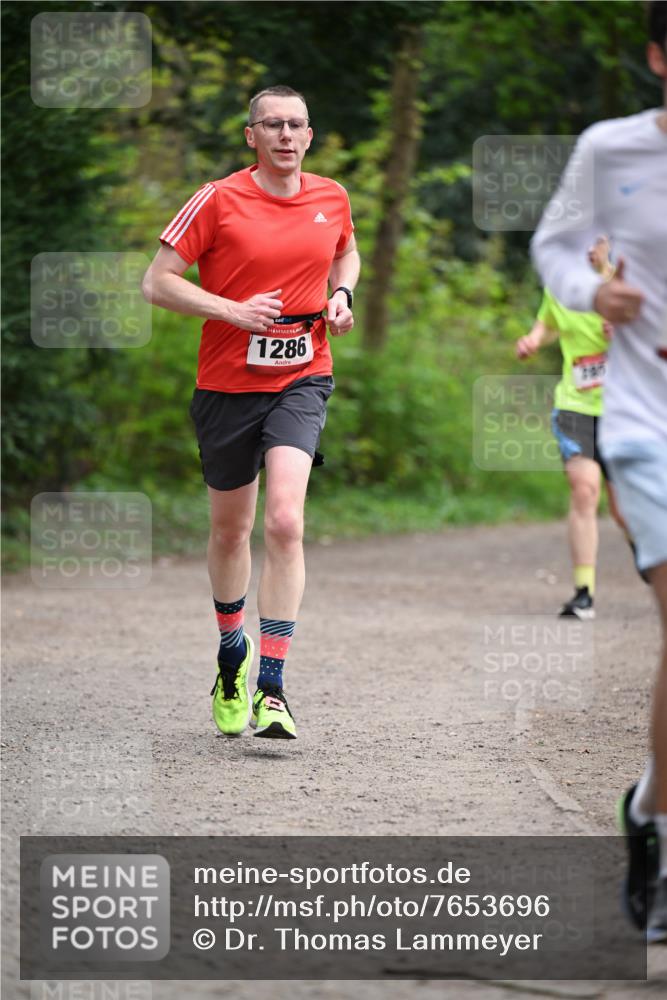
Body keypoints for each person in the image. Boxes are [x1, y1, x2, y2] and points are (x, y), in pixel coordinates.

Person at [142, 85, 360, 740]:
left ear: (310, 134)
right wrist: (232, 311)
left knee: (286, 522)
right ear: (251, 135)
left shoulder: (332, 197)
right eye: (272, 125)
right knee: (231, 531)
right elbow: (157, 282)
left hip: (303, 375)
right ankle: (231, 652)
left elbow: (346, 250)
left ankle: (272, 687)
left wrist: (342, 294)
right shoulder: (217, 199)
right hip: (227, 386)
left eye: (296, 125)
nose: (285, 135)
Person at [531, 1, 667, 941]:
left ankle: (649, 805)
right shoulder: (610, 148)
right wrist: (589, 290)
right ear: (658, 58)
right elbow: (551, 244)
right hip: (645, 420)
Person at [516, 237, 628, 620]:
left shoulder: (628, 285)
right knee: (584, 490)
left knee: (624, 509)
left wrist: (626, 331)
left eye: (597, 240)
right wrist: (532, 340)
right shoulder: (561, 286)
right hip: (575, 406)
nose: (589, 248)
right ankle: (584, 593)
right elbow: (547, 323)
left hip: (623, 410)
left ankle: (648, 558)